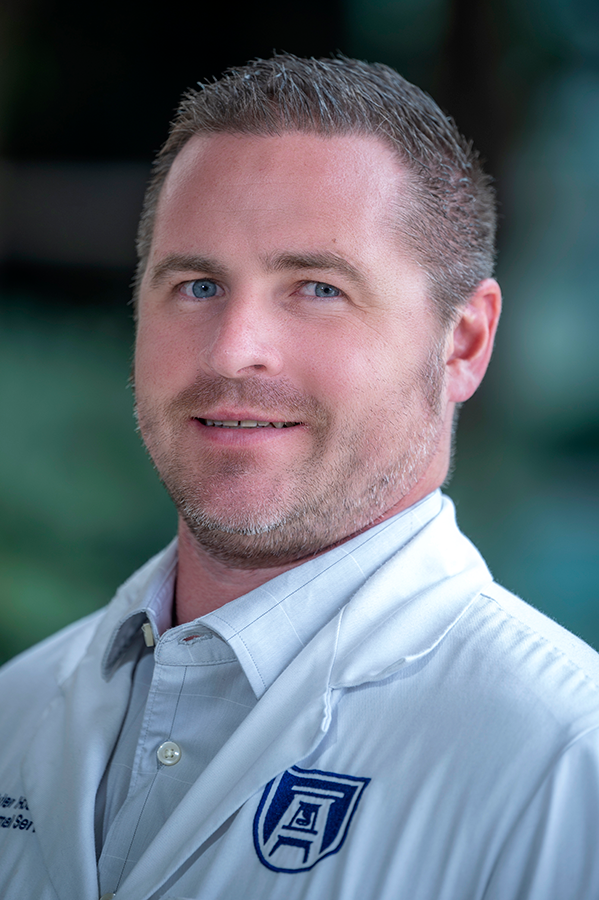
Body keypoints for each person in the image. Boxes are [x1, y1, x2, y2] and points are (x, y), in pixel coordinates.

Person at [1, 54, 598, 900]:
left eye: (316, 287)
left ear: (462, 341)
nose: (234, 347)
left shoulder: (566, 764)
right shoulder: (16, 709)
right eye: (197, 284)